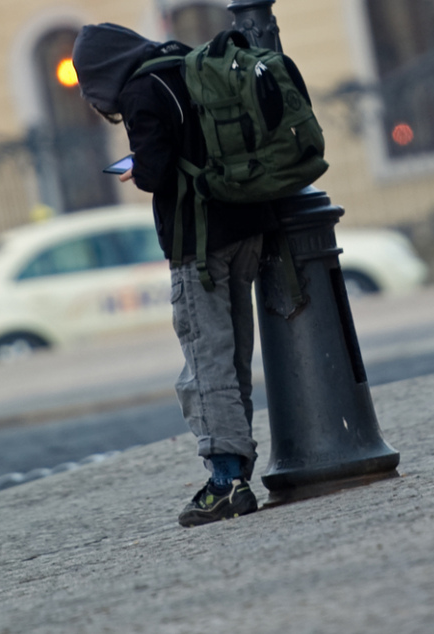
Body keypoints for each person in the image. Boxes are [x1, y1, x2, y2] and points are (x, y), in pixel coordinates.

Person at [72, 23, 279, 527]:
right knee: (231, 358)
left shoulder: (142, 91)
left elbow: (159, 171)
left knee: (206, 364)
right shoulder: (187, 63)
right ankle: (236, 473)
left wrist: (137, 169)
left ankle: (226, 481)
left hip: (199, 242)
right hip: (245, 228)